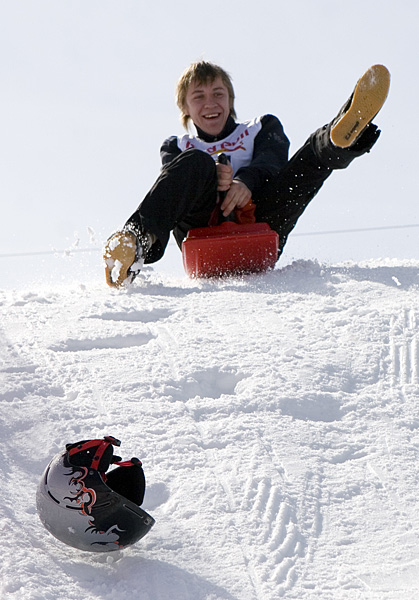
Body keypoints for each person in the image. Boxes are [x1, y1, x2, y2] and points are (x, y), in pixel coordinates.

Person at [104, 61, 390, 287]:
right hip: (202, 232)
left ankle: (342, 134)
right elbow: (174, 186)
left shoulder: (260, 127)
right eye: (199, 96)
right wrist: (215, 180)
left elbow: (273, 158)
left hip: (261, 223)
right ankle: (134, 241)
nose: (211, 103)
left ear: (230, 99)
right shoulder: (177, 146)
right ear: (185, 108)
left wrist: (245, 182)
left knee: (306, 162)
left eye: (218, 94)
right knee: (196, 163)